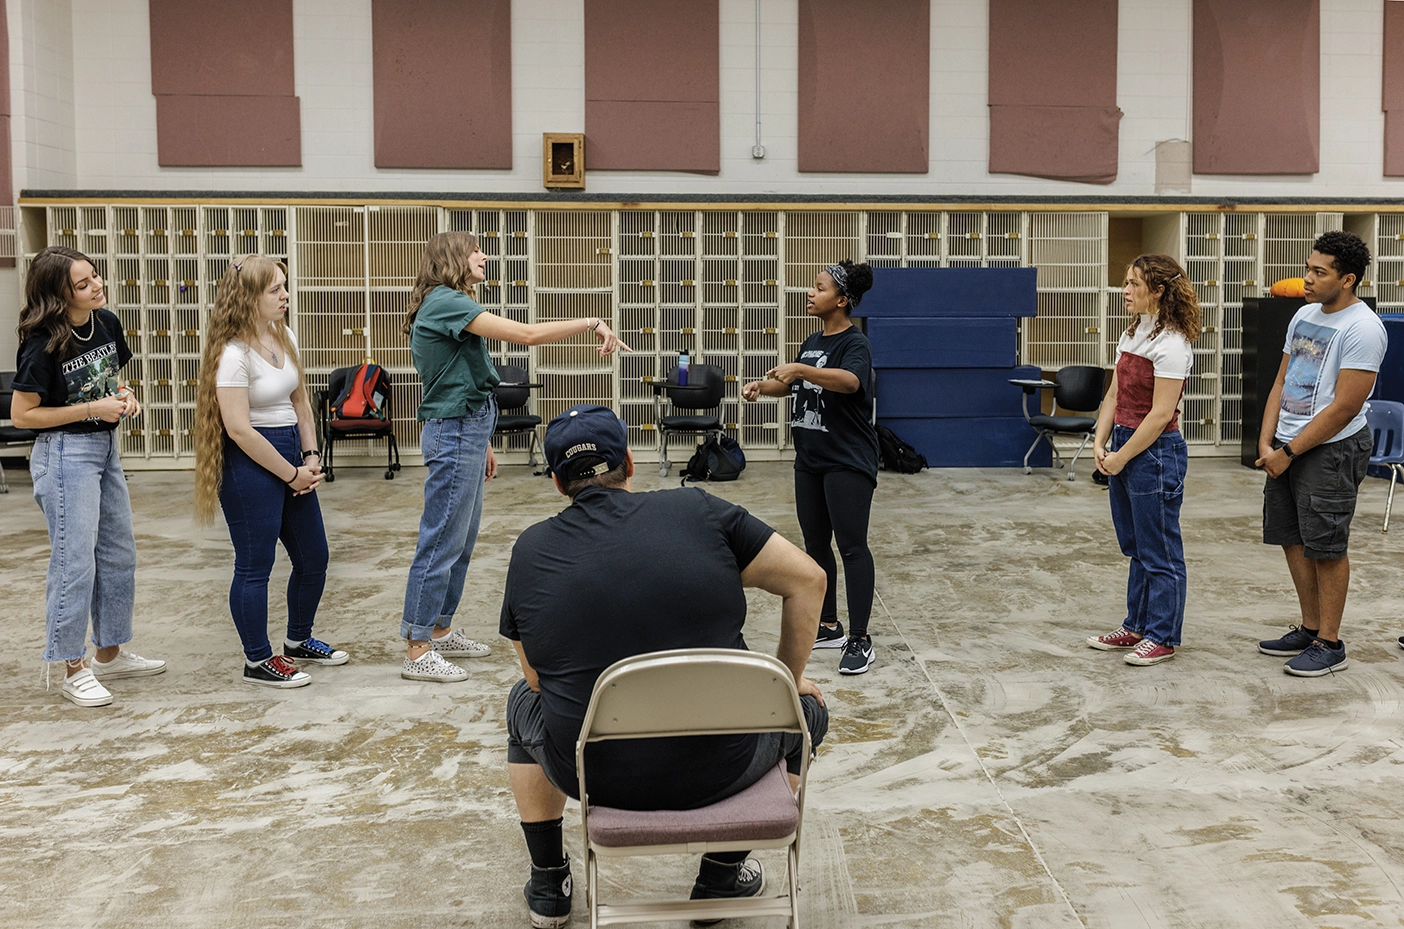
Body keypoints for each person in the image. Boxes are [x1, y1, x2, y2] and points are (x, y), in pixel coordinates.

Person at [500, 404, 829, 928]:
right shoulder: (699, 511)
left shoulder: (532, 549)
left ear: (559, 484)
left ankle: (548, 882)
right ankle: (720, 879)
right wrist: (785, 685)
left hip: (595, 777)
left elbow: (538, 679)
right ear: (629, 462)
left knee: (523, 702)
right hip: (724, 763)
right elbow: (808, 579)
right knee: (805, 711)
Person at [399, 232, 629, 683]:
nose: (484, 256)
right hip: (454, 431)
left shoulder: (451, 303)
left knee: (460, 541)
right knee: (441, 539)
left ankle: (441, 630)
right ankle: (418, 646)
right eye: (475, 250)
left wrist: (483, 441)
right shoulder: (446, 301)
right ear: (453, 259)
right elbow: (525, 335)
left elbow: (459, 377)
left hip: (467, 428)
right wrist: (590, 322)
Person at [10, 246, 166, 707]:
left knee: (118, 554)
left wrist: (125, 395)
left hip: (103, 448)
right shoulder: (42, 342)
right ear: (59, 295)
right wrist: (92, 409)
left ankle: (110, 654)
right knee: (74, 562)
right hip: (64, 454)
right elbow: (23, 415)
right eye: (83, 284)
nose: (96, 285)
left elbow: (110, 380)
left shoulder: (106, 322)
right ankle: (71, 666)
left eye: (94, 276)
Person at [193, 254, 346, 688]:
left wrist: (311, 457)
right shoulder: (231, 354)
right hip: (250, 463)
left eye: (284, 286)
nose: (285, 295)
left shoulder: (284, 335)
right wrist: (290, 472)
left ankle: (298, 641)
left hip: (292, 454)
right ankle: (258, 660)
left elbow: (301, 404)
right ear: (248, 298)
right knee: (255, 563)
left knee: (313, 557)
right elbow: (239, 429)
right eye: (275, 289)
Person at [1255, 231, 1386, 676]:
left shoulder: (1364, 329)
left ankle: (1330, 643)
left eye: (1318, 272)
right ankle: (1310, 628)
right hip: (1286, 446)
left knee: (1326, 546)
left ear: (1348, 279)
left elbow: (1345, 406)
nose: (1306, 279)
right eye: (1308, 268)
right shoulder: (1304, 315)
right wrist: (1266, 440)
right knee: (1293, 538)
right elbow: (1280, 382)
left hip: (1330, 449)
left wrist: (1288, 451)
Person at [742, 259, 879, 675]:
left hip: (847, 460)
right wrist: (764, 388)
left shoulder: (855, 344)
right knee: (816, 548)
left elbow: (851, 382)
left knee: (851, 547)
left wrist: (802, 368)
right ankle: (830, 624)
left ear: (841, 299)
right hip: (811, 460)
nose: (809, 293)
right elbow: (793, 385)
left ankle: (860, 639)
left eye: (817, 288)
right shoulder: (812, 339)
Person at [1087, 255, 1200, 666]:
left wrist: (1121, 456)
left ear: (1159, 291)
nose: (1125, 290)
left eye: (1135, 284)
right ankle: (1136, 625)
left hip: (1154, 453)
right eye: (1126, 281)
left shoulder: (1172, 344)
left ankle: (1163, 635)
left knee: (1160, 549)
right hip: (1123, 443)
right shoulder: (1133, 333)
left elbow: (1159, 414)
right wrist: (1101, 443)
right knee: (1136, 545)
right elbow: (1114, 396)